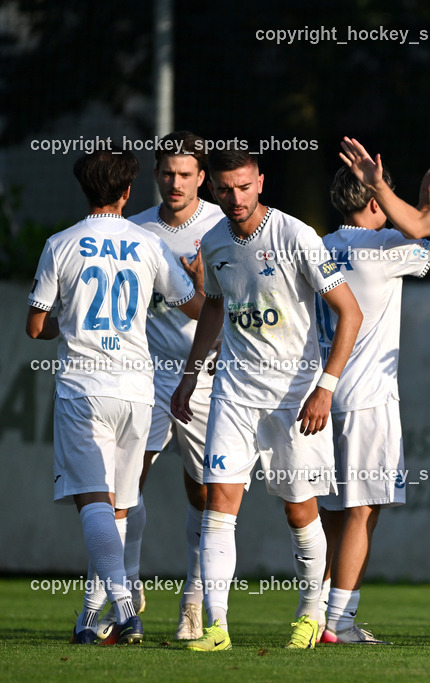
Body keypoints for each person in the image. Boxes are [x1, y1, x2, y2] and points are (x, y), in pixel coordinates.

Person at [171, 149, 363, 651]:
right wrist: (190, 377)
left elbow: (350, 312)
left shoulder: (296, 235)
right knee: (219, 503)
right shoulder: (213, 243)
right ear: (211, 189)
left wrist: (326, 386)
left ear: (260, 182)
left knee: (300, 511)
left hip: (295, 398)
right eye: (224, 188)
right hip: (233, 393)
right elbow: (214, 305)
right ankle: (216, 626)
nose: (234, 197)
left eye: (243, 186)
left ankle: (310, 612)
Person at [27, 148, 201, 645]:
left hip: (85, 388)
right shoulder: (147, 244)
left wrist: (72, 322)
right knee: (118, 507)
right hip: (137, 390)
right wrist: (203, 283)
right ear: (128, 192)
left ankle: (124, 607)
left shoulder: (61, 243)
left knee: (94, 503)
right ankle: (88, 618)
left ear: (85, 190)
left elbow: (36, 324)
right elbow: (192, 305)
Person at [314, 164, 430, 644]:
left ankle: (317, 614)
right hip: (368, 397)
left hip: (320, 396)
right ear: (376, 201)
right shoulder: (384, 247)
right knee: (363, 511)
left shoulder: (318, 246)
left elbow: (416, 234)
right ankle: (339, 622)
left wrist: (421, 211)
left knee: (331, 511)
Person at [96, 131, 224, 642]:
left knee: (207, 494)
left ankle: (192, 603)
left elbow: (226, 309)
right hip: (143, 375)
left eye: (186, 174)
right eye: (167, 173)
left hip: (209, 376)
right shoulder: (135, 229)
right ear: (155, 176)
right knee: (123, 486)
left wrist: (197, 288)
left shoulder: (223, 226)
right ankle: (125, 592)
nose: (175, 183)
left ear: (202, 179)